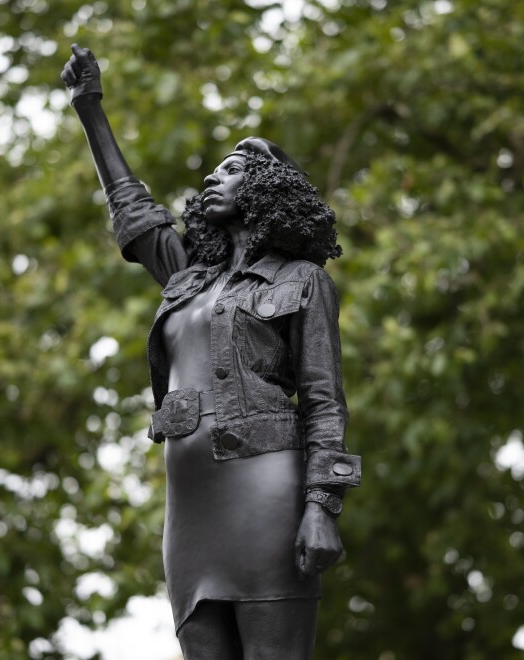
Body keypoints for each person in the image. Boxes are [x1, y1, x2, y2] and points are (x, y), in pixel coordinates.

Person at [61, 44, 361, 660]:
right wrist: (91, 110)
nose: (210, 180)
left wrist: (322, 506)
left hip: (269, 495)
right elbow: (132, 210)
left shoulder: (301, 280)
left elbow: (325, 401)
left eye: (229, 170)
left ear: (267, 189)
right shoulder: (188, 277)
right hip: (191, 509)